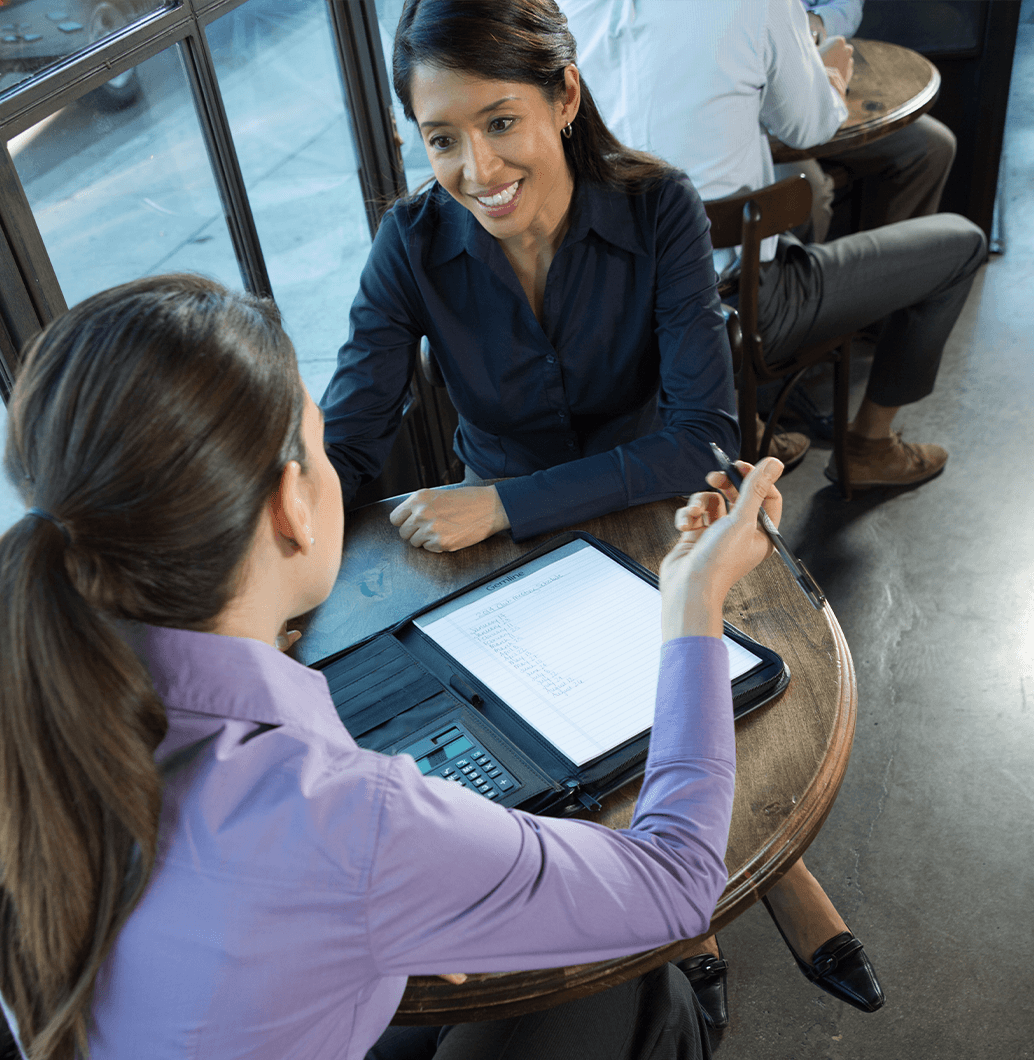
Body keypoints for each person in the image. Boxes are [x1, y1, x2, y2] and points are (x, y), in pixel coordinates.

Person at [0, 271, 793, 1060]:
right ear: (290, 505)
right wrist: (693, 595)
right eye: (319, 446)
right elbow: (678, 881)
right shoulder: (339, 820)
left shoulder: (40, 704)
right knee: (635, 983)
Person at [320, 0, 814, 558]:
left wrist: (508, 503)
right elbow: (345, 441)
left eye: (500, 123)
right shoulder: (409, 242)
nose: (478, 171)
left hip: (645, 511)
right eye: (443, 140)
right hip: (485, 534)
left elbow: (702, 440)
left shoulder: (660, 207)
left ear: (566, 97)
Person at [562, 0, 987, 493]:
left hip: (605, 309)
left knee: (798, 196)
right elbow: (810, 127)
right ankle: (870, 444)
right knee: (964, 242)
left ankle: (752, 426)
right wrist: (830, 74)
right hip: (736, 308)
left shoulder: (556, 12)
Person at [788, 0, 958, 242]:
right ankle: (810, 277)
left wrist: (813, 24)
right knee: (805, 193)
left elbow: (847, 8)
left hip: (821, 81)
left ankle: (884, 269)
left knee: (933, 147)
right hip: (763, 119)